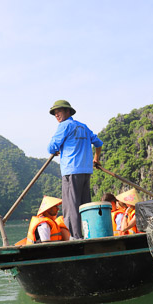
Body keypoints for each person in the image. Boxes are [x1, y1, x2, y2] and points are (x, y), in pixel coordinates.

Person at [47, 100, 103, 239]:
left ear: (67, 112)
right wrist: (96, 158)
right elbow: (98, 143)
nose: (57, 115)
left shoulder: (64, 126)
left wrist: (56, 150)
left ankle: (75, 237)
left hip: (71, 171)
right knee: (85, 205)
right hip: (85, 170)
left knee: (71, 206)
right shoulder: (83, 127)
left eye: (59, 111)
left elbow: (51, 147)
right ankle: (88, 234)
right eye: (55, 113)